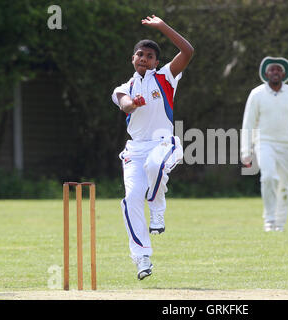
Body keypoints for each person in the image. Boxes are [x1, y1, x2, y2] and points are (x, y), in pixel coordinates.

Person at [111, 15, 194, 280]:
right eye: (140, 54)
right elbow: (123, 104)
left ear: (156, 62)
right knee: (131, 200)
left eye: (149, 55)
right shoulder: (124, 87)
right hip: (135, 150)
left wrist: (162, 27)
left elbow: (188, 51)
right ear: (132, 59)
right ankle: (142, 257)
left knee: (154, 165)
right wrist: (132, 103)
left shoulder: (166, 77)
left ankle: (158, 211)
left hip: (164, 144)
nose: (144, 58)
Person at [241, 56, 288, 232]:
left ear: (284, 73)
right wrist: (246, 151)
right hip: (265, 143)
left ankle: (280, 223)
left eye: (278, 70)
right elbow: (248, 123)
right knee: (269, 177)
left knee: (285, 186)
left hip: (287, 145)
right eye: (272, 69)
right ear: (266, 73)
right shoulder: (257, 94)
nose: (275, 72)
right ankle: (269, 221)